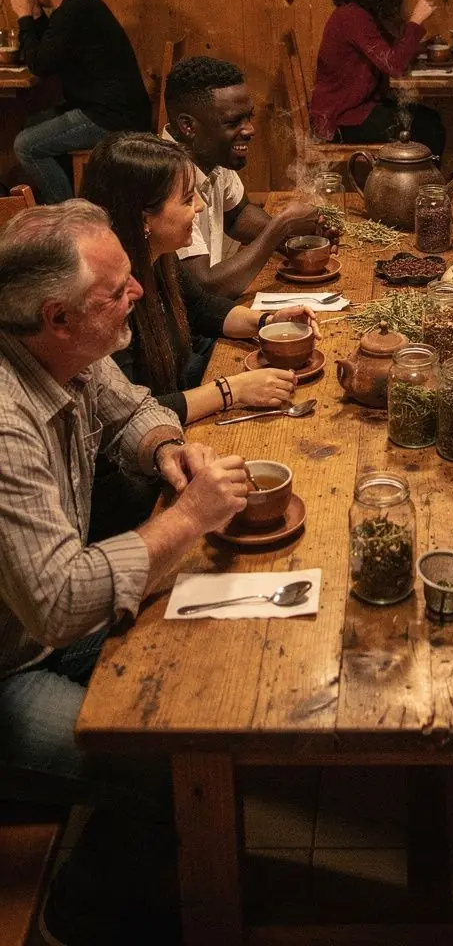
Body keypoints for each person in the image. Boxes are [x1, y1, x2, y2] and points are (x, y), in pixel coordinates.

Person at [0, 201, 250, 942]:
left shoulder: (68, 350)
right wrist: (187, 517)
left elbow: (131, 406)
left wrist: (168, 450)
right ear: (58, 317)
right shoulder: (6, 423)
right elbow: (57, 601)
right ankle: (84, 916)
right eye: (118, 290)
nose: (140, 289)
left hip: (42, 631)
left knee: (213, 653)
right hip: (11, 663)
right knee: (178, 767)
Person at [82, 133, 320, 425]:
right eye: (186, 199)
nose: (200, 206)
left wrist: (267, 322)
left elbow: (200, 307)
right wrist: (233, 390)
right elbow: (130, 416)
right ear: (144, 217)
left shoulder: (157, 256)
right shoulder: (106, 299)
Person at [163, 55, 322, 297]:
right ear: (188, 126)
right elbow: (205, 289)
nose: (250, 129)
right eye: (233, 122)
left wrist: (298, 240)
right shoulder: (165, 179)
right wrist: (281, 226)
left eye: (249, 117)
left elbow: (238, 216)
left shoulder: (211, 153)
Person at [10, 0, 151, 204]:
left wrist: (23, 19)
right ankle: (67, 197)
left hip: (110, 117)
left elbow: (40, 65)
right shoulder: (79, 4)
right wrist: (36, 17)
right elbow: (51, 50)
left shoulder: (73, 13)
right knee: (32, 123)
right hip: (114, 108)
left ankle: (67, 215)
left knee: (25, 145)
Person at [309, 0, 445, 157]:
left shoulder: (362, 12)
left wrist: (421, 45)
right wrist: (416, 21)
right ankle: (422, 187)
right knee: (427, 129)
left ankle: (422, 186)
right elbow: (394, 65)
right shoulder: (353, 17)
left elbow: (391, 54)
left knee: (430, 121)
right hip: (341, 119)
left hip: (356, 109)